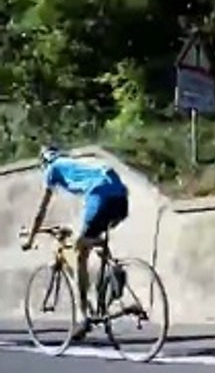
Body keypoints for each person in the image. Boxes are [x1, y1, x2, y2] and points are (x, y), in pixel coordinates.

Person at [20, 145, 131, 339]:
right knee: (91, 238)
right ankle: (112, 270)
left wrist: (31, 239)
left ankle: (82, 317)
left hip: (99, 195)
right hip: (121, 197)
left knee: (79, 250)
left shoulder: (52, 169)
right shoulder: (78, 164)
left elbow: (41, 210)